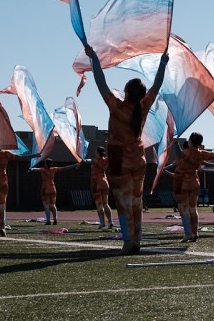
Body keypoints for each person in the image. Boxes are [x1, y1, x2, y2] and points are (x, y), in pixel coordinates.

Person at [84, 41, 169, 254]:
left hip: (118, 157)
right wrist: (163, 63)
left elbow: (100, 83)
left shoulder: (116, 106)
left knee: (122, 202)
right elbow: (156, 85)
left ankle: (128, 242)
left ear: (126, 92)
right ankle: (137, 240)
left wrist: (94, 59)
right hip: (138, 158)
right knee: (136, 202)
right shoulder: (144, 107)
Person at [168, 132, 214, 242]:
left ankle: (187, 233)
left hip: (181, 183)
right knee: (193, 208)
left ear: (190, 141)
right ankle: (195, 233)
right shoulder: (201, 154)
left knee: (183, 208)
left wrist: (176, 143)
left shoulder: (186, 152)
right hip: (194, 183)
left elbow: (179, 154)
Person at [30, 158, 76, 225]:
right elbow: (65, 168)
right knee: (52, 205)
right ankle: (55, 219)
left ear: (46, 164)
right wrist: (74, 165)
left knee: (46, 205)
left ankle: (48, 221)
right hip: (52, 188)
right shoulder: (54, 169)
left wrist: (31, 169)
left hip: (45, 188)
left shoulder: (43, 170)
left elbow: (35, 169)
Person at [87, 146, 113, 229]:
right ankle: (110, 221)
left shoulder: (95, 160)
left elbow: (88, 161)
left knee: (99, 204)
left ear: (98, 153)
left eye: (96, 152)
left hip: (96, 183)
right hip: (105, 183)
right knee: (105, 203)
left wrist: (81, 159)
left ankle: (102, 222)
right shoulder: (106, 160)